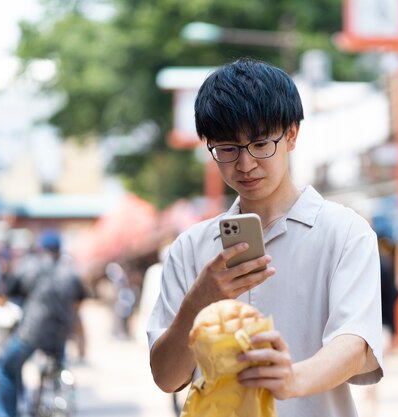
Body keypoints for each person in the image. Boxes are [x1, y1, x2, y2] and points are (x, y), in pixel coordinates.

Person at [147, 58, 383, 417]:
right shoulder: (190, 247)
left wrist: (291, 380)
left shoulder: (346, 233)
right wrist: (200, 300)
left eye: (260, 144)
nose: (245, 164)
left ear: (291, 134)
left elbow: (355, 345)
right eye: (227, 148)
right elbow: (166, 377)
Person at [0, 229, 87, 417]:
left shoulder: (29, 265)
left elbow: (8, 291)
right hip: (61, 334)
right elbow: (80, 300)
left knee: (5, 367)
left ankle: (7, 413)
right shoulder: (71, 270)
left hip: (32, 332)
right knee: (59, 367)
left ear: (41, 248)